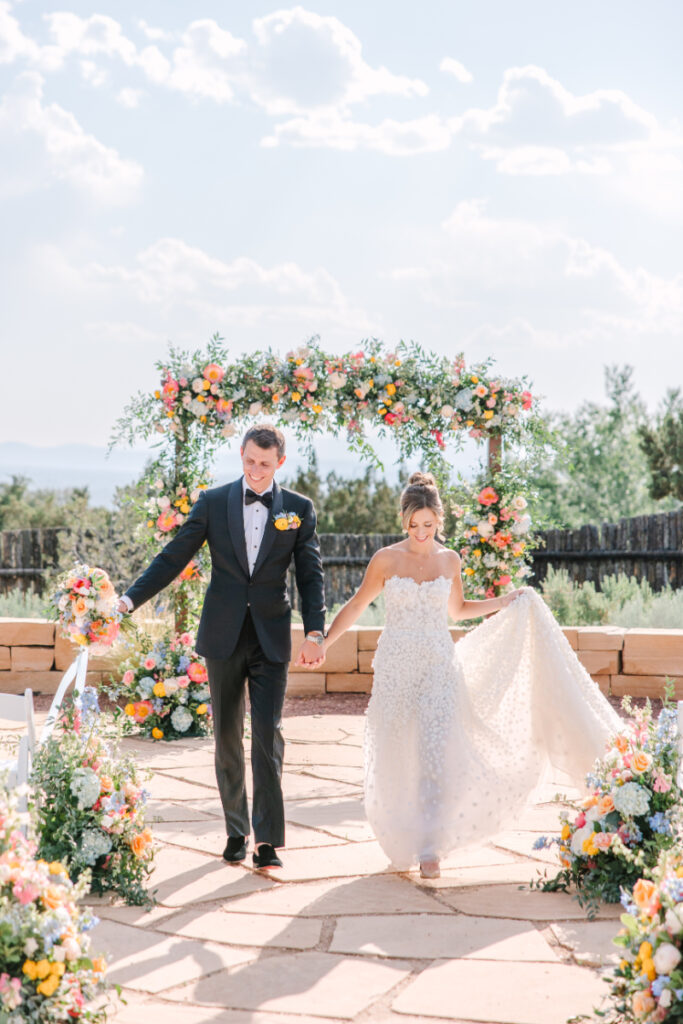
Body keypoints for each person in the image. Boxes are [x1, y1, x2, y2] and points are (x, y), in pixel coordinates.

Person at [318, 471, 620, 879]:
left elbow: (458, 611)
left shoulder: (449, 560)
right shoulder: (386, 559)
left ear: (438, 520)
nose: (421, 532)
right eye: (413, 525)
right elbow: (355, 606)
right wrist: (323, 642)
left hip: (440, 665)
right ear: (403, 521)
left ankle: (430, 847)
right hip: (396, 665)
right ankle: (405, 836)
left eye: (428, 524)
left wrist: (506, 600)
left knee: (433, 750)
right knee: (396, 752)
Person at [116, 423, 326, 871]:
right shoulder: (213, 502)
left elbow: (310, 575)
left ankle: (267, 840)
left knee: (267, 735)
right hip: (223, 635)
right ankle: (236, 830)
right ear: (242, 454)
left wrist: (314, 631)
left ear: (280, 463)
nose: (255, 470)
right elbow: (174, 556)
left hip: (270, 635)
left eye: (264, 464)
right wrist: (130, 598)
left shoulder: (299, 510)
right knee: (228, 735)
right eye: (249, 460)